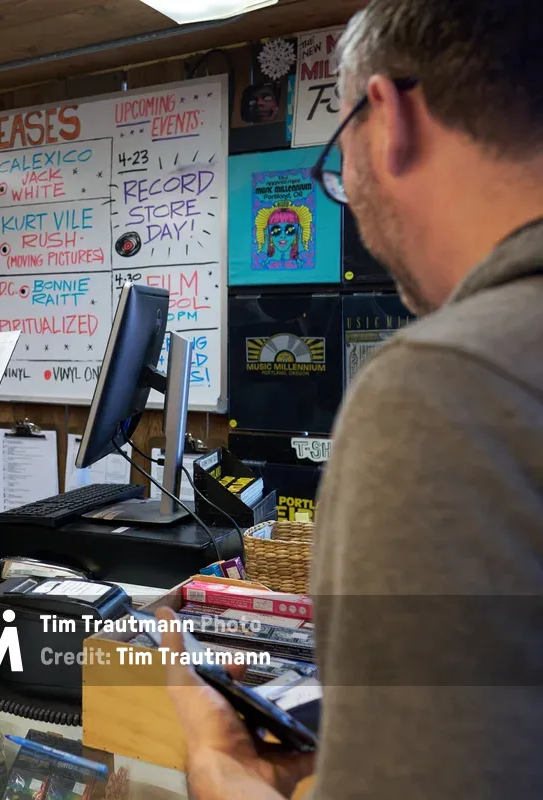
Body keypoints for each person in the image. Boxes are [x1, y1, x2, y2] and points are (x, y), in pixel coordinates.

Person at [161, 1, 543, 798]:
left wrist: (215, 760)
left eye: (341, 154)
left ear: (391, 115)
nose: (348, 195)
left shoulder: (444, 385)